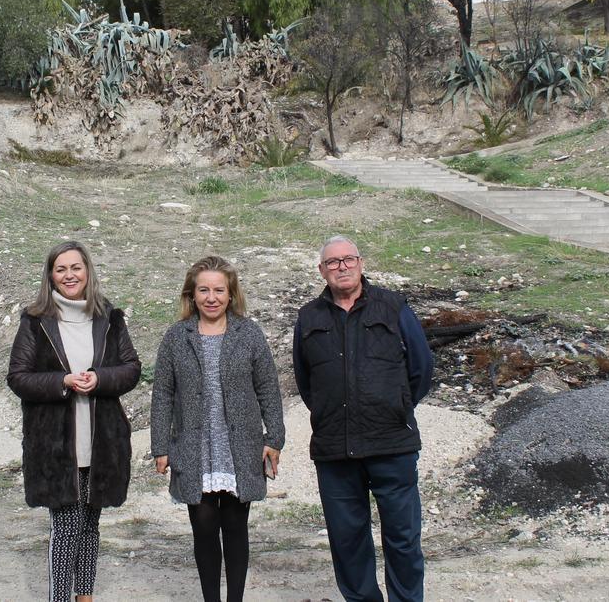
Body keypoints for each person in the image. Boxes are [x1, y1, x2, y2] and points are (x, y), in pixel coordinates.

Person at [292, 236, 433, 602]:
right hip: (335, 449)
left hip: (392, 444)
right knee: (347, 540)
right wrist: (330, 412)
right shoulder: (308, 317)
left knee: (402, 539)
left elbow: (421, 367)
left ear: (361, 263)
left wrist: (398, 406)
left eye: (348, 259)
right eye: (333, 262)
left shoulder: (393, 307)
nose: (341, 267)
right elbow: (306, 381)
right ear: (322, 271)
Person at [7, 241, 141, 602]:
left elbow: (131, 369)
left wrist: (99, 378)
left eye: (76, 268)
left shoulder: (110, 318)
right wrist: (62, 381)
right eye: (61, 269)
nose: (69, 275)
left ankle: (85, 596)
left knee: (91, 524)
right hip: (55, 444)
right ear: (50, 274)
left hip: (101, 441)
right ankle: (59, 598)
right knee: (66, 525)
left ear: (88, 271)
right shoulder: (35, 322)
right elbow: (18, 377)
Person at [150, 255, 285, 602]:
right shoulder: (176, 337)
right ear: (192, 295)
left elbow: (268, 388)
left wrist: (274, 438)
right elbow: (163, 392)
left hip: (239, 447)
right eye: (204, 290)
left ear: (231, 294)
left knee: (236, 529)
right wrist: (160, 446)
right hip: (194, 447)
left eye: (219, 290)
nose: (212, 297)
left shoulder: (249, 333)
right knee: (205, 530)